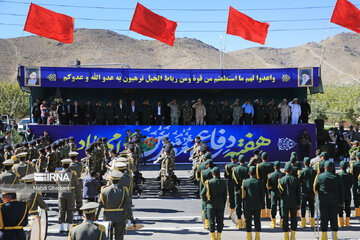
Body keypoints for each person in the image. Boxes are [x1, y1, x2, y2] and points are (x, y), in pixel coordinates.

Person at [98, 171, 132, 240]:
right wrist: (130, 217)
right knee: (119, 236)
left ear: (111, 180)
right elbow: (128, 205)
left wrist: (96, 216)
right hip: (120, 216)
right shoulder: (123, 190)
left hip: (107, 216)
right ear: (119, 181)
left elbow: (100, 204)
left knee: (108, 236)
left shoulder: (104, 190)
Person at [314, 161, 343, 240]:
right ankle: (335, 236)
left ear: (324, 167)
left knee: (324, 218)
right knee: (334, 218)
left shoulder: (320, 177)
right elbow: (341, 191)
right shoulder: (337, 177)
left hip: (323, 201)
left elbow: (315, 188)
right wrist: (341, 202)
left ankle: (324, 236)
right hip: (335, 201)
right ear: (333, 168)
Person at [201, 167, 227, 240]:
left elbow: (202, 193)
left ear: (212, 174)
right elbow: (225, 195)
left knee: (211, 222)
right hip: (220, 205)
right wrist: (223, 204)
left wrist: (206, 200)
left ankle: (213, 238)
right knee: (220, 221)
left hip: (210, 205)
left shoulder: (209, 182)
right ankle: (219, 237)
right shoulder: (223, 182)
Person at [278, 164, 301, 240]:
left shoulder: (281, 180)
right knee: (294, 219)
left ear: (285, 171)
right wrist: (298, 203)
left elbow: (280, 193)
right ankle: (293, 236)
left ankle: (286, 236)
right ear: (291, 171)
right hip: (294, 202)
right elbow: (298, 193)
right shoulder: (296, 180)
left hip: (284, 202)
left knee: (285, 219)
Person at [242, 166, 264, 240]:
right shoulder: (260, 182)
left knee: (248, 221)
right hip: (257, 204)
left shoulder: (245, 182)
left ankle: (249, 237)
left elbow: (243, 195)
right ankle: (257, 237)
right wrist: (261, 204)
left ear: (249, 173)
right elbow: (262, 195)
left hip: (248, 204)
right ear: (256, 173)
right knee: (257, 220)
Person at [58, 158, 79, 232]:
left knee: (61, 210)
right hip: (70, 193)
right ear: (69, 165)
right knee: (70, 210)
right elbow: (77, 183)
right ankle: (68, 227)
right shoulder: (73, 173)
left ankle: (61, 227)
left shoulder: (58, 173)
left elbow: (57, 182)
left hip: (61, 193)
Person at [299, 157, 316, 228]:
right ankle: (312, 222)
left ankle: (303, 222)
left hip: (304, 191)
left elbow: (300, 182)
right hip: (312, 191)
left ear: (304, 163)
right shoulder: (314, 171)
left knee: (303, 207)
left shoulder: (302, 172)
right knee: (312, 206)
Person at [232, 155, 248, 229]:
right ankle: (245, 223)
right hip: (246, 190)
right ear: (244, 161)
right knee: (246, 206)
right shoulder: (247, 169)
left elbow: (234, 181)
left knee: (238, 206)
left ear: (239, 161)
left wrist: (237, 189)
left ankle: (239, 223)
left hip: (238, 191)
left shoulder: (235, 169)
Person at [267, 161, 284, 228]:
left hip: (273, 193)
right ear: (280, 167)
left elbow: (268, 186)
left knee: (273, 207)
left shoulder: (270, 175)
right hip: (281, 193)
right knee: (281, 207)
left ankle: (273, 223)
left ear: (274, 167)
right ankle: (281, 222)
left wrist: (269, 193)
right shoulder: (283, 175)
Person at [256, 152, 274, 219]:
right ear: (267, 158)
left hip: (261, 183)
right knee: (269, 198)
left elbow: (258, 177)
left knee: (262, 198)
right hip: (269, 183)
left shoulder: (259, 165)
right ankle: (269, 214)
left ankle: (263, 214)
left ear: (261, 158)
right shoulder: (271, 165)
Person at [338, 161, 353, 227]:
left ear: (340, 167)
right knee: (348, 208)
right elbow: (351, 184)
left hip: (341, 194)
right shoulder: (350, 175)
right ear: (347, 167)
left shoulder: (339, 175)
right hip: (348, 192)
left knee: (340, 207)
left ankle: (341, 223)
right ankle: (347, 222)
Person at [224, 154, 238, 219]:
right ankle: (238, 212)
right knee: (238, 198)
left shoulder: (228, 166)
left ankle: (232, 213)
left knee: (231, 198)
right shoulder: (238, 166)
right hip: (238, 184)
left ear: (231, 160)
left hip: (231, 184)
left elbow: (226, 176)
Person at [350, 152, 360, 216]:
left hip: (356, 182)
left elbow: (351, 174)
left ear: (356, 157)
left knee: (356, 197)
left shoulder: (354, 165)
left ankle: (357, 212)